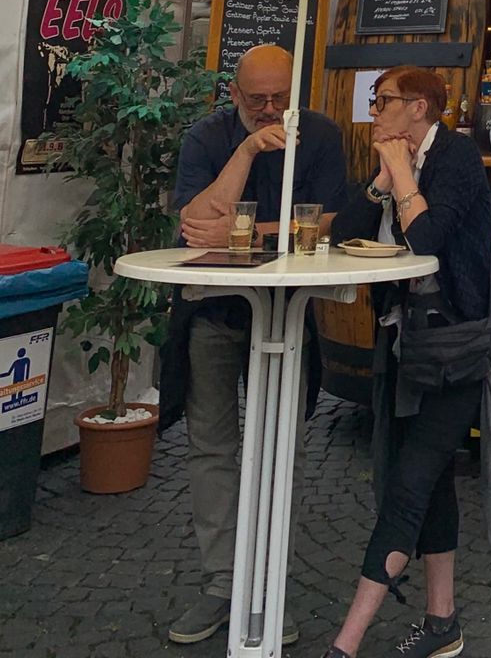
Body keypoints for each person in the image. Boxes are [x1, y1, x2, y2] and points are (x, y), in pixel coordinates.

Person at [322, 67, 491, 658]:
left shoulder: (454, 159)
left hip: (460, 340)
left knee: (410, 482)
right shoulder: (398, 160)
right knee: (427, 482)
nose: (374, 112)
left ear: (421, 108)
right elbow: (343, 235)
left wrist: (402, 174)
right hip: (407, 342)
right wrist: (381, 182)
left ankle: (346, 644)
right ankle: (441, 621)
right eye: (375, 102)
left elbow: (428, 243)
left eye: (385, 102)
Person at [169, 45, 348, 648]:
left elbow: (327, 222)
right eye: (257, 101)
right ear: (235, 96)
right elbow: (193, 220)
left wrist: (246, 233)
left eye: (280, 99)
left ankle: (267, 587)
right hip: (213, 311)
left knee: (280, 449)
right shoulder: (208, 137)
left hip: (286, 316)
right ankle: (223, 583)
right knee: (211, 447)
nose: (271, 110)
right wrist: (246, 151)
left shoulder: (319, 135)